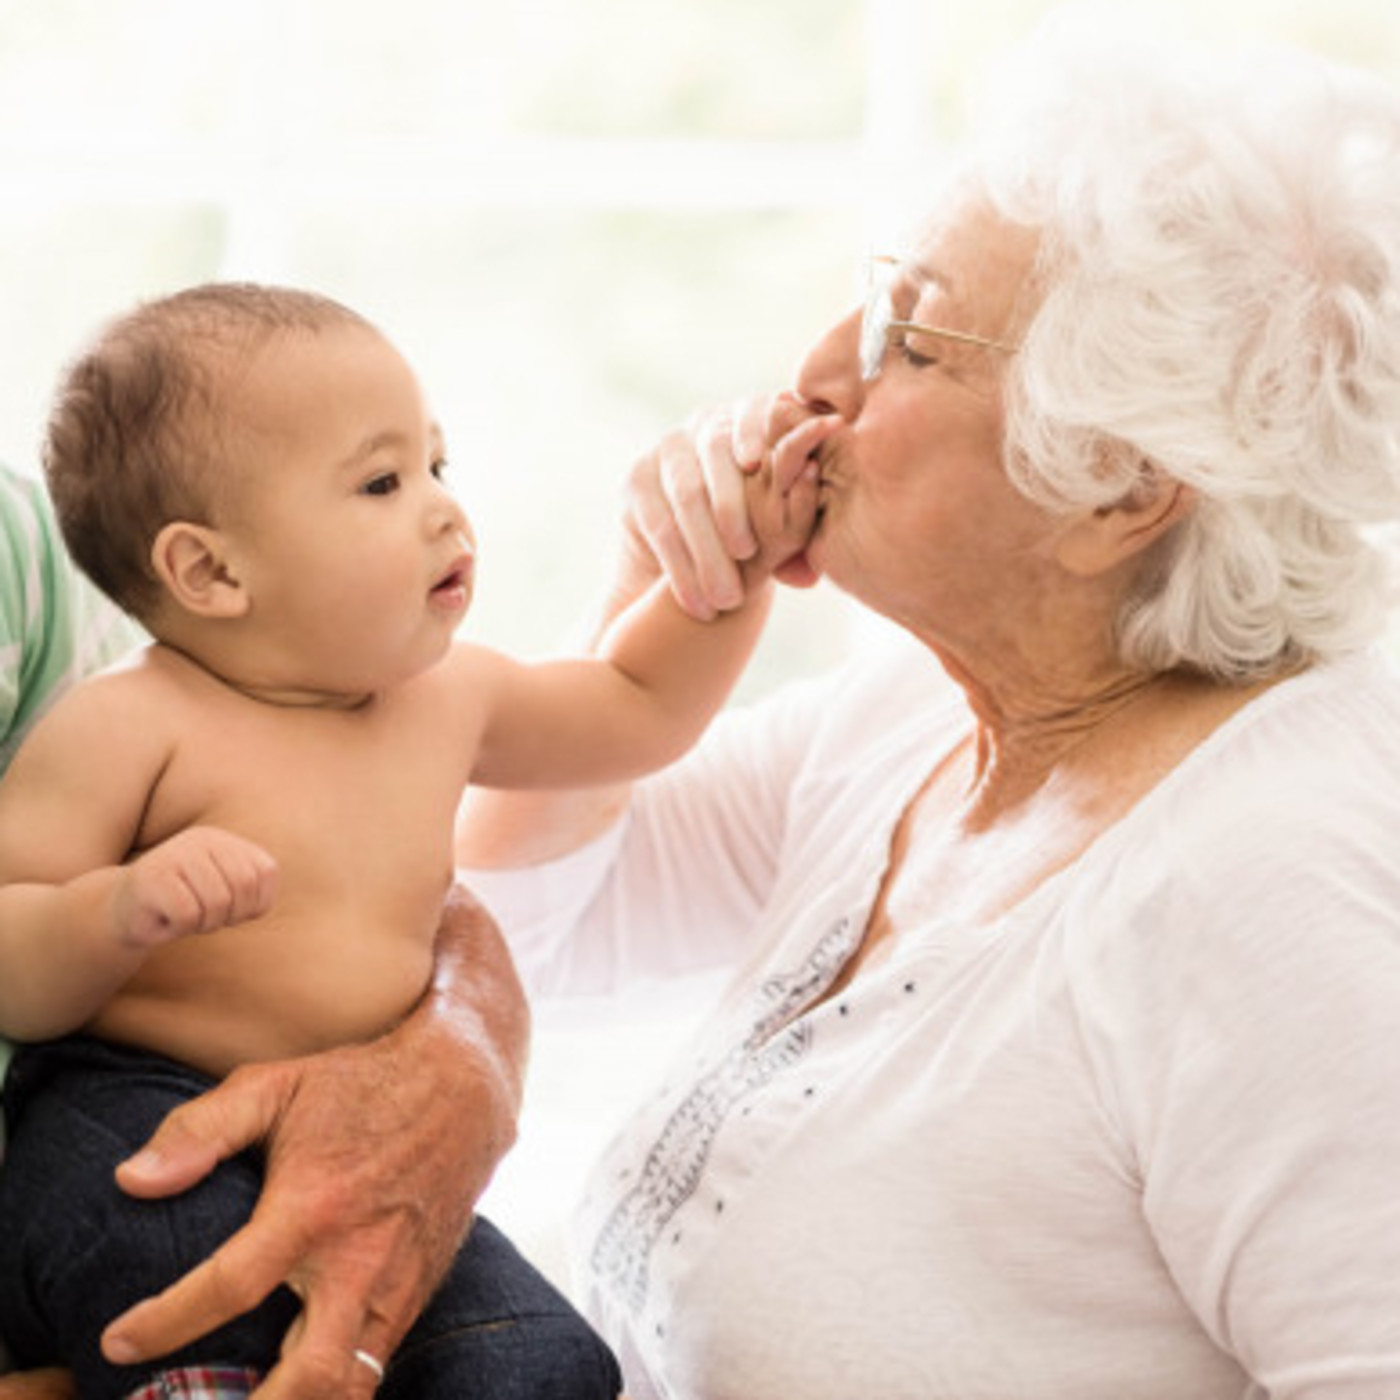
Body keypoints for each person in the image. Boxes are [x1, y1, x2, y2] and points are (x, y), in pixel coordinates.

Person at [449, 21, 1400, 1399]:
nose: (816, 374)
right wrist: (644, 616)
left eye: (914, 336)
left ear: (1118, 490)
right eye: (868, 293)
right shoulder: (922, 717)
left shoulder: (1269, 893)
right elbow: (538, 917)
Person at [0, 282, 817, 1400]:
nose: (443, 510)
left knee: (542, 1352)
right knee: (160, 1248)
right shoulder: (126, 724)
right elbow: (9, 959)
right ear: (211, 571)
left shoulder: (450, 697)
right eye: (382, 482)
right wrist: (114, 910)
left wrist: (736, 572)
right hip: (132, 1100)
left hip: (368, 1123)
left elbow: (638, 704)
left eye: (438, 464)